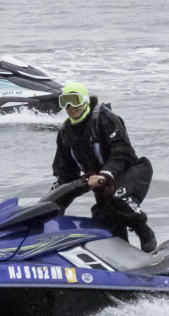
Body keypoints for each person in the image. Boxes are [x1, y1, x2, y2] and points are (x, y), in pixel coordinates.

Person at [52, 82, 158, 253]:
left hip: (132, 172)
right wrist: (53, 201)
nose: (71, 107)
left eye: (75, 100)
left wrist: (105, 175)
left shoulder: (104, 118)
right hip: (103, 186)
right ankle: (125, 263)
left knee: (117, 196)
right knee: (103, 224)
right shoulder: (65, 132)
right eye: (66, 102)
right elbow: (65, 173)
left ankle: (144, 231)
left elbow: (122, 153)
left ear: (85, 101)